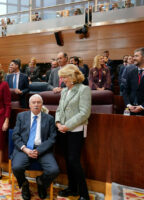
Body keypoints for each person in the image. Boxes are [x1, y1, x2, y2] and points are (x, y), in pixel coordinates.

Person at [12, 94, 59, 200]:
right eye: (34, 102)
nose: (36, 104)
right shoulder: (21, 116)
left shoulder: (49, 119)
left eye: (38, 102)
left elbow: (52, 138)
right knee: (16, 167)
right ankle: (24, 184)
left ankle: (41, 182)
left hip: (42, 149)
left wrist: (38, 150)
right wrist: (25, 149)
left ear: (42, 104)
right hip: (25, 149)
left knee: (54, 170)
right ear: (29, 105)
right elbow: (15, 135)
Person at [55, 64, 91, 200]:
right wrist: (58, 123)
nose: (62, 80)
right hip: (63, 130)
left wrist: (67, 126)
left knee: (74, 160)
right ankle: (72, 189)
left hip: (76, 130)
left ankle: (84, 194)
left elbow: (84, 113)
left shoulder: (84, 89)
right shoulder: (64, 91)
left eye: (64, 77)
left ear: (72, 76)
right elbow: (59, 109)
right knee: (68, 161)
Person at [123, 48, 144, 116]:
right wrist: (128, 104)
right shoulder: (131, 72)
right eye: (134, 56)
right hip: (131, 110)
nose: (134, 58)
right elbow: (125, 91)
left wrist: (142, 106)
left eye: (136, 56)